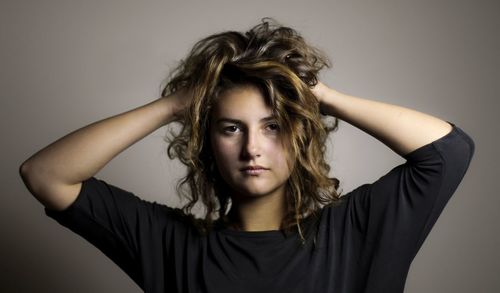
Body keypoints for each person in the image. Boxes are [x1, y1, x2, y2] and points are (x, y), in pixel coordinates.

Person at [19, 18, 475, 293]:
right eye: (231, 128)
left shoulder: (356, 232)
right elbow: (45, 175)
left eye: (273, 126)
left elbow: (449, 151)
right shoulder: (170, 244)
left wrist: (322, 95)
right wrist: (180, 103)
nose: (252, 148)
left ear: (299, 136)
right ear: (207, 141)